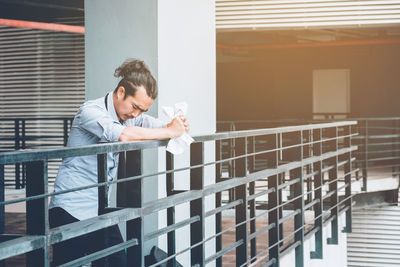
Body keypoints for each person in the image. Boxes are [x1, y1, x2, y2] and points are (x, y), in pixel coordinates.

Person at [49, 59, 188, 266]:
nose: (136, 114)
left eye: (142, 110)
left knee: (119, 262)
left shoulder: (131, 116)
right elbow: (124, 135)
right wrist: (170, 131)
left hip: (99, 209)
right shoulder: (91, 111)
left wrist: (176, 125)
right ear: (121, 92)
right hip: (71, 210)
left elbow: (158, 127)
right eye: (135, 107)